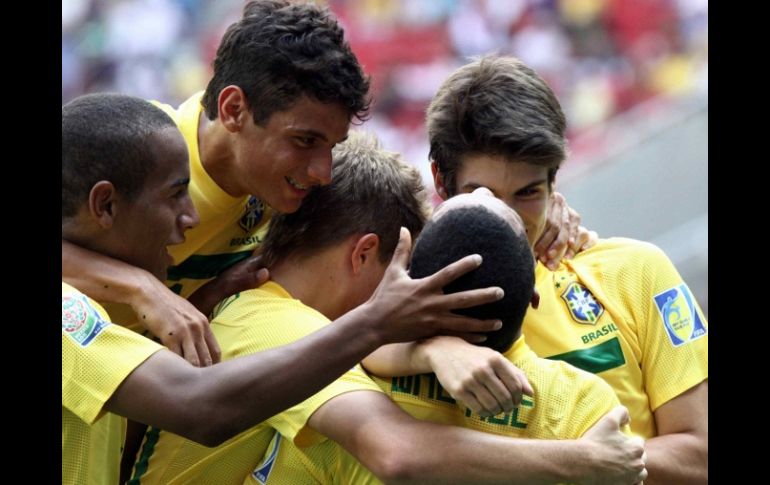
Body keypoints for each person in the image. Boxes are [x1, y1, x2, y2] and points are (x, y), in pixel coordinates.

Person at [60, 0, 588, 368]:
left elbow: (402, 236)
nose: (322, 171)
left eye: (331, 147)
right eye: (305, 140)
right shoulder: (134, 148)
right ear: (234, 109)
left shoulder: (288, 195)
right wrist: (139, 288)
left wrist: (523, 217)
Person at [127, 131, 646, 485]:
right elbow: (395, 449)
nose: (406, 293)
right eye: (403, 270)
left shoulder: (291, 320)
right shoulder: (270, 321)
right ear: (364, 254)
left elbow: (369, 350)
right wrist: (584, 461)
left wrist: (431, 348)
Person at [61, 94, 507, 485]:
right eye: (176, 194)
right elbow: (200, 406)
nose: (192, 217)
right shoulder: (71, 313)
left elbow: (126, 423)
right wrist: (378, 321)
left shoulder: (222, 297)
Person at [419, 54, 708, 484]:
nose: (509, 216)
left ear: (555, 184)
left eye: (528, 193)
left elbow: (699, 455)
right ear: (441, 182)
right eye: (484, 193)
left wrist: (583, 459)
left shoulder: (637, 271)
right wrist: (428, 347)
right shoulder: (410, 299)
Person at [262, 188, 645, 485]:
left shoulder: (348, 381)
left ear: (416, 282)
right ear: (533, 295)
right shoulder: (586, 410)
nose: (484, 194)